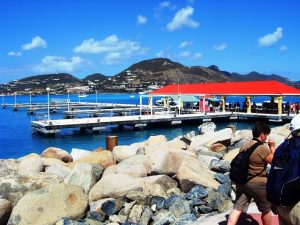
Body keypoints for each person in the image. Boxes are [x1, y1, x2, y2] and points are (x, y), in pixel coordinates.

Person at [227, 122, 275, 225]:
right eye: (266, 135)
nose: (266, 138)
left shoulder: (244, 145)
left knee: (237, 208)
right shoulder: (262, 148)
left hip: (242, 181)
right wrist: (272, 147)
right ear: (262, 134)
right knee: (266, 210)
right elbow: (274, 162)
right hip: (258, 184)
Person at [275, 114, 300, 225]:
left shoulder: (282, 148)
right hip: (297, 204)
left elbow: (275, 174)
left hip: (282, 204)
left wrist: (273, 200)